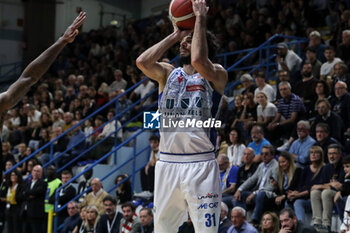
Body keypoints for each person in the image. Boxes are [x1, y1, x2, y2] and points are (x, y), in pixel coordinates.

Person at [136, 1, 227, 232]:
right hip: (167, 162)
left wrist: (200, 21)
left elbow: (198, 60)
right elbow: (142, 62)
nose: (184, 45)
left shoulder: (216, 73)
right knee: (163, 230)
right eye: (183, 43)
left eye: (190, 41)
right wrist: (175, 35)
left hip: (201, 163)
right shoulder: (167, 73)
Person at [233, 145, 278, 225]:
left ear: (272, 155)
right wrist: (239, 189)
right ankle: (241, 218)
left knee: (260, 194)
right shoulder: (261, 165)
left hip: (269, 195)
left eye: (266, 154)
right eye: (262, 154)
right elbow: (252, 179)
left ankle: (255, 221)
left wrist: (254, 193)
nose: (263, 156)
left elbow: (272, 186)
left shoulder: (275, 166)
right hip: (258, 193)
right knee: (239, 196)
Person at [310, 144, 345, 232]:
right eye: (329, 154)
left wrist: (325, 185)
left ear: (340, 154)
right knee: (314, 192)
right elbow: (322, 184)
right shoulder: (326, 167)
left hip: (341, 194)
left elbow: (339, 186)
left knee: (326, 192)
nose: (331, 156)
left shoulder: (344, 166)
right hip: (329, 194)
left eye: (334, 153)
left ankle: (326, 224)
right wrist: (329, 185)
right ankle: (317, 223)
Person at [18, 164, 47, 233]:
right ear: (31, 172)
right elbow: (20, 195)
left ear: (41, 173)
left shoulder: (43, 183)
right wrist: (29, 194)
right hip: (25, 213)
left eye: (38, 171)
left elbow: (37, 192)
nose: (35, 173)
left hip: (36, 214)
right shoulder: (26, 183)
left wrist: (26, 193)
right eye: (34, 171)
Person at [5, 168, 24, 233]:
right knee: (9, 228)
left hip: (16, 208)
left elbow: (21, 198)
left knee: (16, 228)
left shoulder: (20, 186)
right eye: (12, 175)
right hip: (9, 208)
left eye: (15, 175)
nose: (13, 177)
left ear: (18, 176)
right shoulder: (8, 186)